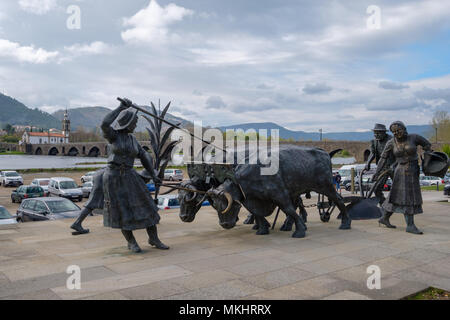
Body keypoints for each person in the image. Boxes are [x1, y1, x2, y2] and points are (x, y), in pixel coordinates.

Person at [100, 98, 168, 252]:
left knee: (148, 206)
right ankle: (131, 242)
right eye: (134, 122)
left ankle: (154, 238)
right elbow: (104, 124)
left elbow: (144, 156)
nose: (136, 125)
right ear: (127, 121)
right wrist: (120, 108)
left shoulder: (133, 140)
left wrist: (153, 174)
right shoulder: (113, 135)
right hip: (113, 177)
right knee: (122, 210)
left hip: (130, 176)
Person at [373, 121, 432, 234]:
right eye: (394, 132)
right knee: (402, 196)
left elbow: (427, 145)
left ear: (404, 129)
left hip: (413, 169)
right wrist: (377, 172)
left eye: (399, 130)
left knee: (402, 196)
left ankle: (384, 218)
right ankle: (410, 225)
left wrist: (427, 159)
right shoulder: (391, 142)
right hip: (400, 170)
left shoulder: (414, 137)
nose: (397, 133)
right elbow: (383, 158)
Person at [365, 123, 394, 205]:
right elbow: (372, 153)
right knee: (376, 188)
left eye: (378, 133)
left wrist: (394, 165)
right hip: (382, 167)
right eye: (375, 133)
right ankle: (384, 204)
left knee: (398, 188)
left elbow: (399, 154)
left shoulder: (392, 140)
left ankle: (400, 204)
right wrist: (368, 163)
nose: (376, 135)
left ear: (384, 132)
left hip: (394, 167)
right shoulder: (374, 141)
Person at [70, 168, 105, 235]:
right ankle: (77, 223)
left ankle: (77, 223)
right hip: (108, 172)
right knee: (92, 202)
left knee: (92, 201)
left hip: (100, 173)